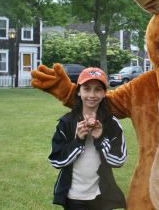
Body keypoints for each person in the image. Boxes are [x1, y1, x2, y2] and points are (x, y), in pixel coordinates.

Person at [48, 67, 127, 210]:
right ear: (78, 91)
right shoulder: (66, 123)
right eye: (87, 88)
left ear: (104, 93)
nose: (92, 94)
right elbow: (56, 160)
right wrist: (78, 141)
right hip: (73, 197)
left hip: (101, 196)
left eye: (98, 89)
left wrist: (101, 140)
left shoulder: (111, 123)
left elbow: (119, 160)